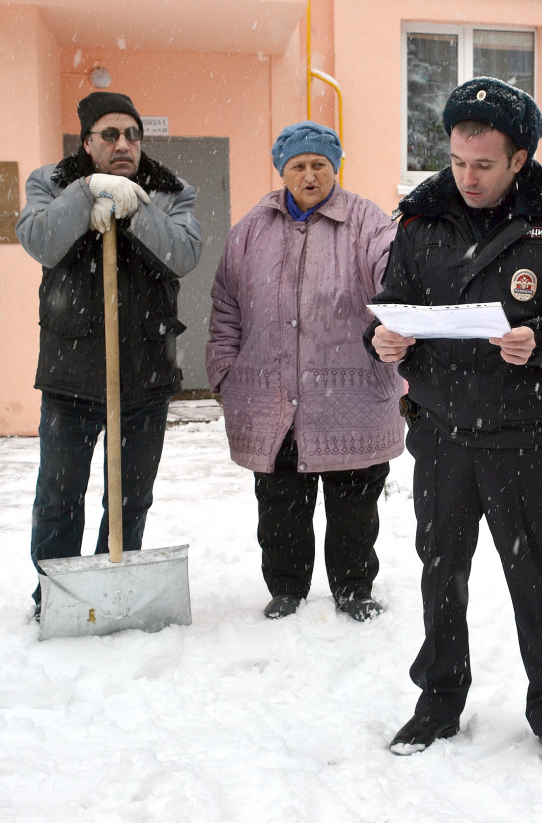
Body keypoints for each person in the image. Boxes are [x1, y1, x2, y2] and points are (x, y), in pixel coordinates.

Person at [366, 78, 542, 767]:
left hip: (520, 434)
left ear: (519, 159)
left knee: (534, 574)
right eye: (456, 161)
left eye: (484, 164)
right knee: (440, 572)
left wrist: (541, 336)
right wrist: (382, 340)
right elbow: (391, 305)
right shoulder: (422, 219)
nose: (467, 177)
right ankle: (438, 701)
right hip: (441, 431)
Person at [207, 121, 404, 621]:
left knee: (355, 506)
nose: (310, 175)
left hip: (353, 397)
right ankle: (287, 587)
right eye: (299, 166)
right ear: (283, 171)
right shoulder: (251, 229)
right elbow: (226, 307)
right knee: (279, 505)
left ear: (336, 167)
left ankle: (354, 588)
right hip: (270, 397)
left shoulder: (369, 223)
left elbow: (396, 281)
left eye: (320, 164)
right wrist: (224, 373)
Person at [16, 91, 202, 619]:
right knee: (58, 498)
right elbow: (42, 242)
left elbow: (183, 255)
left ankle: (112, 588)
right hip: (69, 377)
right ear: (87, 142)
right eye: (111, 135)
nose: (124, 144)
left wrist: (135, 208)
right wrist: (86, 194)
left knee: (129, 500)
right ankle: (58, 592)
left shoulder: (170, 192)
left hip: (145, 376)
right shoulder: (50, 184)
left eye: (133, 135)